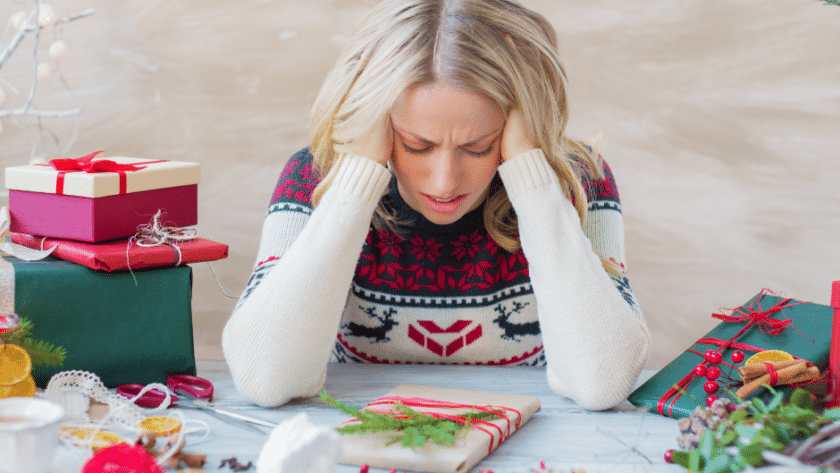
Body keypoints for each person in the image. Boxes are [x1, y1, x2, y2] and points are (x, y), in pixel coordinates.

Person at [222, 0, 650, 410]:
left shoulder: (579, 182)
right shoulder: (315, 178)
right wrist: (355, 180)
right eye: (417, 145)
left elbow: (601, 381)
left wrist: (532, 179)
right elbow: (266, 377)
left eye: (478, 147)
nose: (445, 182)